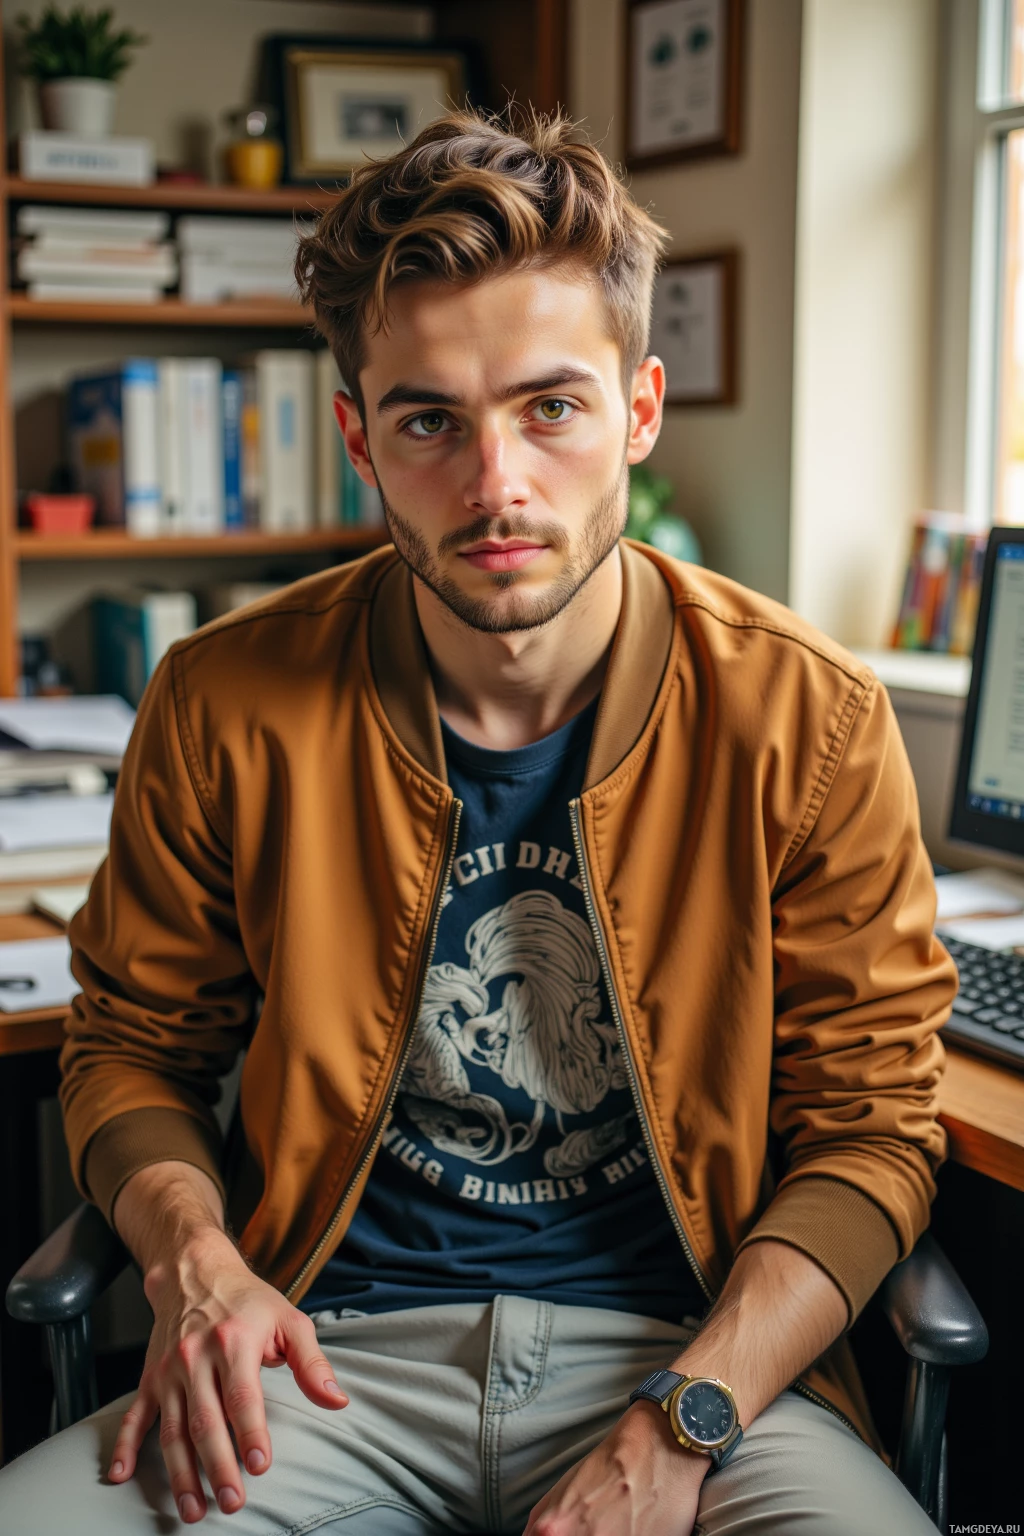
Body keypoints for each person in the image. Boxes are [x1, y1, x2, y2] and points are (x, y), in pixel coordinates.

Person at [0, 109, 955, 1535]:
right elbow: (132, 1048)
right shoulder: (221, 699)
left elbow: (873, 1132)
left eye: (550, 408)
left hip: (702, 1377)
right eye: (430, 420)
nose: (496, 483)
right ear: (358, 441)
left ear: (638, 412)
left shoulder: (807, 719)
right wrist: (197, 1260)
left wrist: (683, 1421)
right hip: (319, 1368)